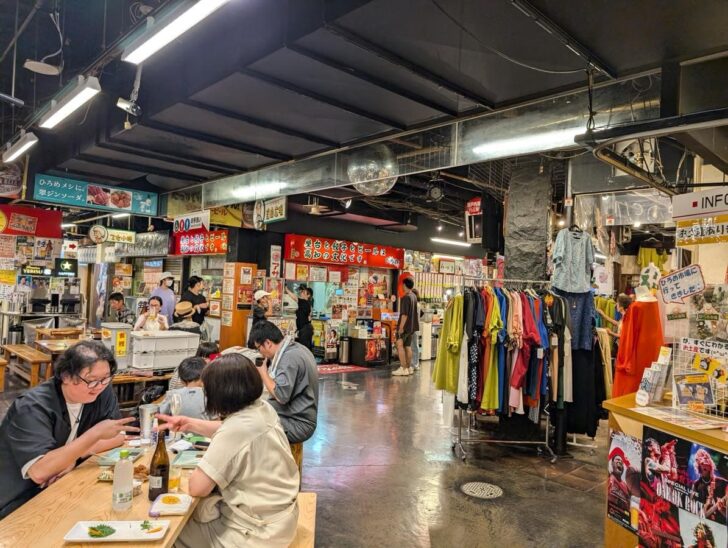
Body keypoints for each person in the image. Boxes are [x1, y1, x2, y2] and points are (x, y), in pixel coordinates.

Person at [157, 354, 299, 548]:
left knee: (169, 531)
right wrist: (189, 423)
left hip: (256, 534)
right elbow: (230, 431)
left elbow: (197, 488)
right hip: (281, 520)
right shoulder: (262, 408)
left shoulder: (236, 430)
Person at [0, 341, 137, 518]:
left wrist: (74, 457)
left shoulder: (101, 392)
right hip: (16, 500)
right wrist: (94, 434)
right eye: (92, 380)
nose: (100, 386)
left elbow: (118, 436)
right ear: (66, 376)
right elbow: (39, 472)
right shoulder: (32, 407)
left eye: (106, 378)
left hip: (58, 491)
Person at [249, 321, 319, 446]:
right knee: (253, 409)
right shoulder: (298, 348)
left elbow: (281, 395)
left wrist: (263, 372)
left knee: (249, 423)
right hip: (297, 414)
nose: (260, 353)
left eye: (259, 348)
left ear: (268, 343)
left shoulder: (289, 358)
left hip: (298, 423)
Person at [690, 447, 727, 524]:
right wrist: (707, 504)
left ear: (710, 465)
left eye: (706, 461)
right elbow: (692, 513)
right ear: (698, 466)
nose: (704, 465)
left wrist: (723, 509)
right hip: (702, 525)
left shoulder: (723, 483)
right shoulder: (696, 485)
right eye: (701, 463)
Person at [392, 277, 419, 376]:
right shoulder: (414, 296)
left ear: (405, 285)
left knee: (399, 345)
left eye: (403, 285)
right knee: (408, 346)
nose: (402, 287)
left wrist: (401, 327)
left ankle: (403, 368)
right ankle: (408, 368)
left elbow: (404, 315)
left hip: (405, 326)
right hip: (412, 327)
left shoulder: (406, 297)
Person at [607, 447, 631, 517]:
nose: (620, 462)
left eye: (621, 461)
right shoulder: (610, 477)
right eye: (617, 460)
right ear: (612, 464)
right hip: (612, 513)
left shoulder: (626, 485)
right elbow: (617, 450)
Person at [410, 288, 422, 371]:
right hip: (416, 327)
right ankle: (415, 363)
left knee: (414, 346)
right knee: (414, 345)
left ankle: (415, 364)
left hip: (414, 327)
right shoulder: (417, 304)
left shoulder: (415, 304)